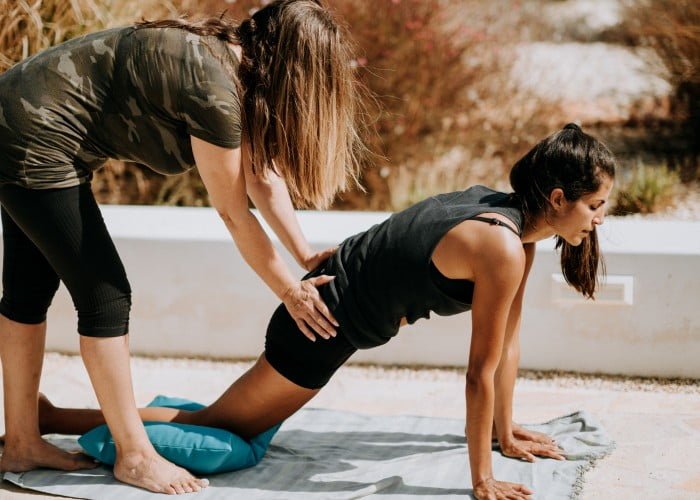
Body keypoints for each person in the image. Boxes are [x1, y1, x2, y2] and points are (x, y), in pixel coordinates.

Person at [36, 124, 616, 499]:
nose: (599, 219)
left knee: (227, 422)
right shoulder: (502, 246)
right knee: (219, 429)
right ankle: (54, 419)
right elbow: (478, 372)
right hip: (318, 323)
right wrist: (483, 479)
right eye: (595, 205)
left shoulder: (518, 229)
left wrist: (505, 434)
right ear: (558, 199)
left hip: (330, 308)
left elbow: (507, 346)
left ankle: (60, 416)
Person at [0, 0, 365, 494]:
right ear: (293, 66)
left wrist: (303, 254)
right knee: (105, 296)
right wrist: (290, 292)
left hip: (24, 122)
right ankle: (134, 455)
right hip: (31, 134)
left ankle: (22, 440)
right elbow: (234, 213)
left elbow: (261, 174)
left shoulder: (235, 69)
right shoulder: (215, 88)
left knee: (28, 288)